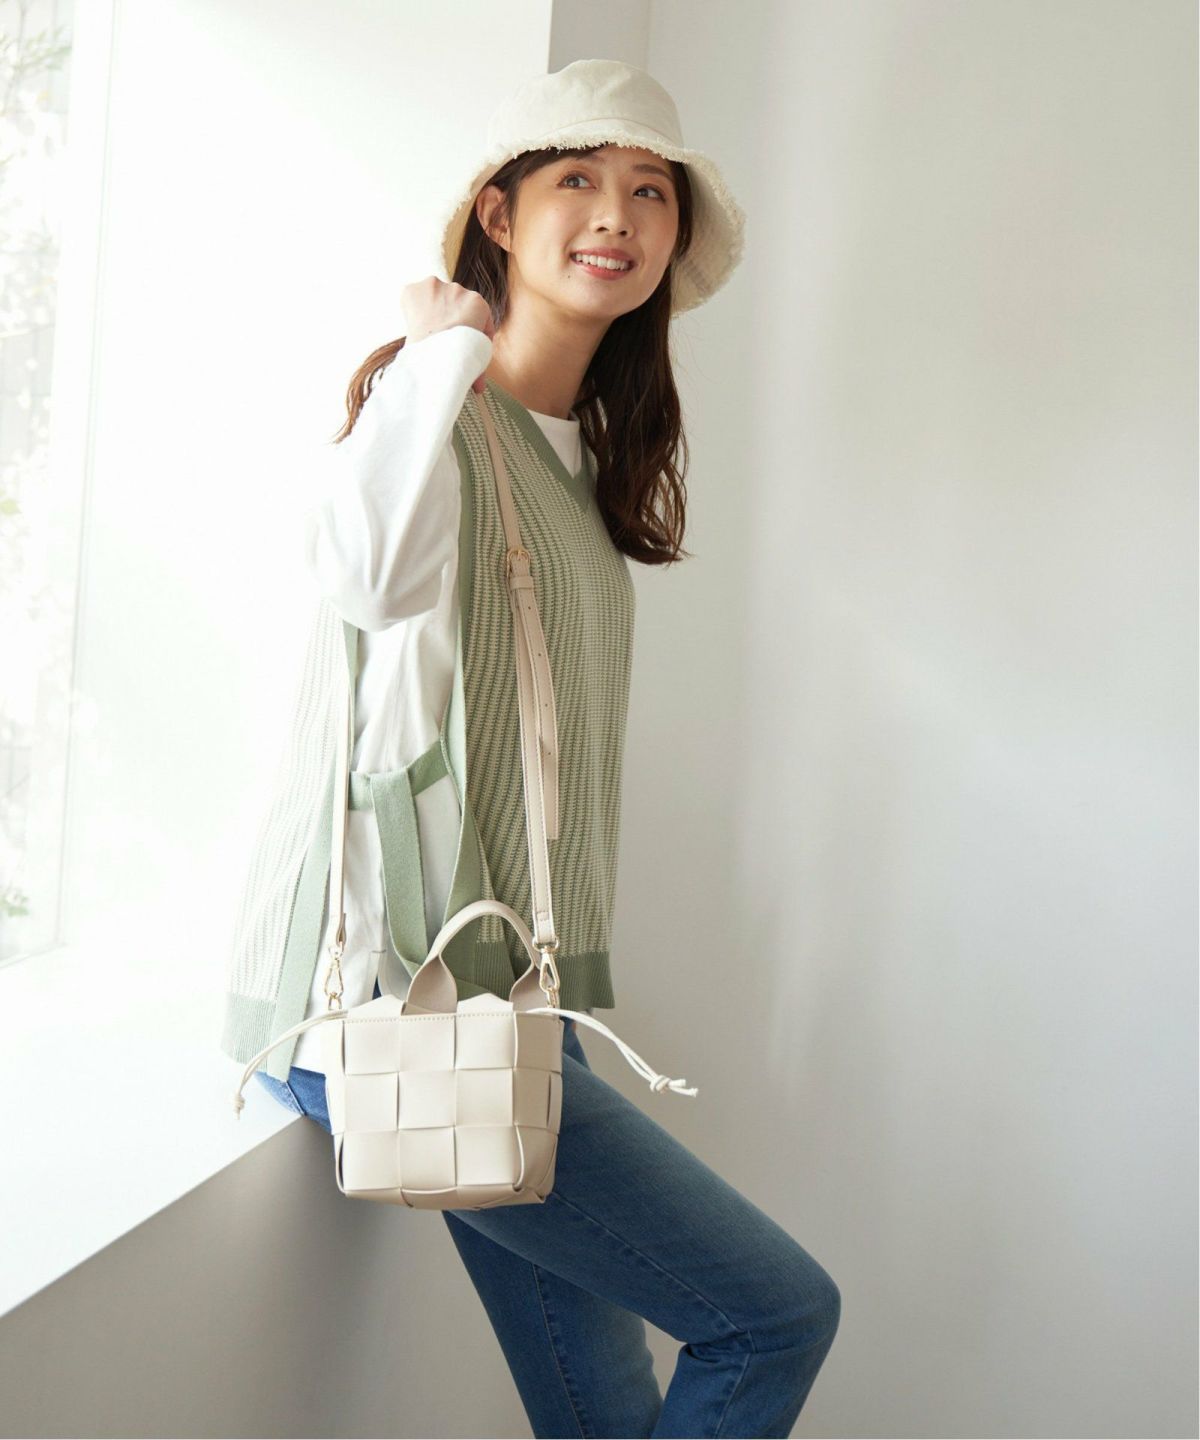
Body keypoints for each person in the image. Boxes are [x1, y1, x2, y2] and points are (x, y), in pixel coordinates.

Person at [225, 58, 840, 1438]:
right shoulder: (438, 415)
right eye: (577, 179)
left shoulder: (569, 455)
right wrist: (438, 352)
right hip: (392, 1007)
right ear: (499, 216)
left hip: (501, 1006)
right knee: (775, 1318)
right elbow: (364, 576)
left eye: (649, 191)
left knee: (605, 1414)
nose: (616, 213)